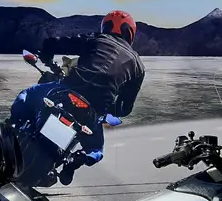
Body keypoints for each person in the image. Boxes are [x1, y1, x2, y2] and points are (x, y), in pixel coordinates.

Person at [10, 10, 146, 185]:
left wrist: (46, 56)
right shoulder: (138, 66)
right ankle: (77, 159)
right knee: (96, 150)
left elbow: (54, 43)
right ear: (130, 33)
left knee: (26, 95)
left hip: (68, 89)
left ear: (106, 27)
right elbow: (125, 108)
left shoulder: (97, 39)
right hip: (95, 108)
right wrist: (108, 106)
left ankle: (12, 128)